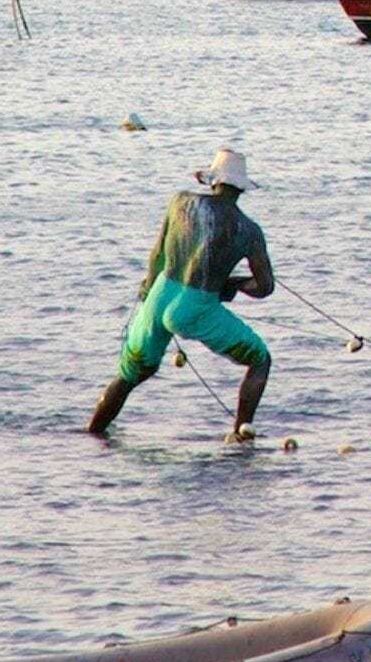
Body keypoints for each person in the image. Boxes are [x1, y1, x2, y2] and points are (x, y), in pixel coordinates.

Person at [87, 148, 279, 443]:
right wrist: (236, 284)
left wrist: (149, 290)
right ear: (242, 188)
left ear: (212, 180)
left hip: (160, 294)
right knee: (260, 359)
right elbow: (265, 288)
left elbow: (158, 255)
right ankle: (241, 436)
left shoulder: (180, 202)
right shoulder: (248, 230)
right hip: (196, 305)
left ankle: (92, 436)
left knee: (129, 375)